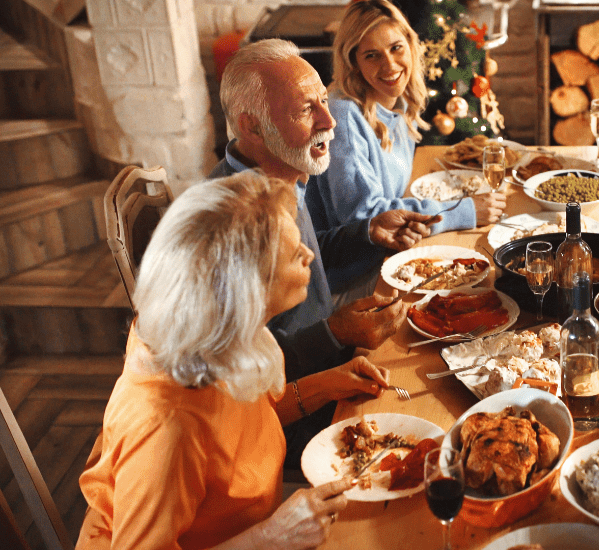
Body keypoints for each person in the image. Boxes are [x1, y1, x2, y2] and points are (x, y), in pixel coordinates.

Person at [78, 172, 389, 549]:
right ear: (246, 292)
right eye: (295, 255)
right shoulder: (167, 426)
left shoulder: (213, 334)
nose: (310, 254)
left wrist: (328, 383)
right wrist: (270, 538)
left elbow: (245, 426)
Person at [211, 38, 433, 464]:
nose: (329, 121)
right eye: (304, 110)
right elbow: (242, 378)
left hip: (330, 364)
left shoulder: (284, 173)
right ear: (252, 126)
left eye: (324, 102)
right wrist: (335, 333)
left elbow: (304, 263)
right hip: (287, 423)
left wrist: (367, 232)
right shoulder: (229, 225)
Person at [306, 0, 506, 290]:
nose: (389, 65)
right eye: (372, 55)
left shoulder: (397, 104)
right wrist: (461, 212)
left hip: (391, 256)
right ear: (353, 62)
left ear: (411, 46)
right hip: (354, 280)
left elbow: (388, 203)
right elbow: (368, 218)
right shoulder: (343, 114)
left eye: (396, 48)